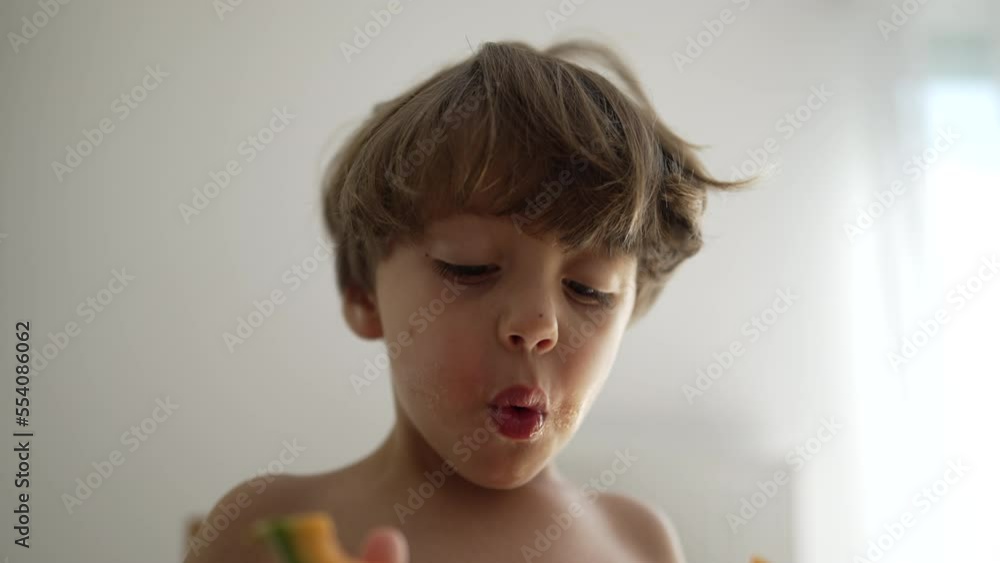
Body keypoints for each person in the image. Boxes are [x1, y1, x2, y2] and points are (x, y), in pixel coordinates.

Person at [184, 39, 751, 563]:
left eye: (590, 289)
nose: (537, 324)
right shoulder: (265, 526)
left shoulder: (638, 541)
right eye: (470, 268)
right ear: (365, 298)